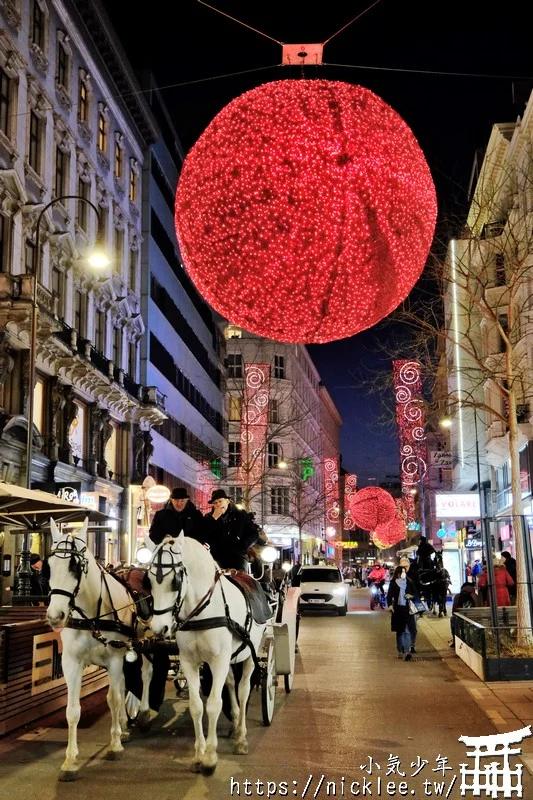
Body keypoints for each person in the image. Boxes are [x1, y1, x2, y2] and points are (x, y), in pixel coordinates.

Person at [201, 488, 260, 571]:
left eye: (220, 501)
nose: (218, 504)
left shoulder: (240, 514)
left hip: (237, 556)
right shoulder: (209, 518)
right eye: (215, 503)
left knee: (241, 577)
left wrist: (242, 546)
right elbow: (203, 535)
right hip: (216, 557)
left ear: (227, 501)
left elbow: (253, 533)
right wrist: (213, 519)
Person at [387, 565, 417, 661]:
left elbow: (416, 594)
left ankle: (407, 652)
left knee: (407, 631)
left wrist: (411, 595)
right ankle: (400, 651)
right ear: (398, 573)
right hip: (397, 610)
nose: (403, 573)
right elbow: (389, 595)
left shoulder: (409, 582)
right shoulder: (393, 583)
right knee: (399, 632)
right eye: (401, 572)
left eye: (404, 571)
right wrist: (390, 606)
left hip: (407, 609)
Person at [450, 581, 482, 647]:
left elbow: (454, 612)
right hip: (474, 621)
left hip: (460, 621)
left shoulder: (458, 596)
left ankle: (455, 641)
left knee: (452, 619)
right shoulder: (476, 596)